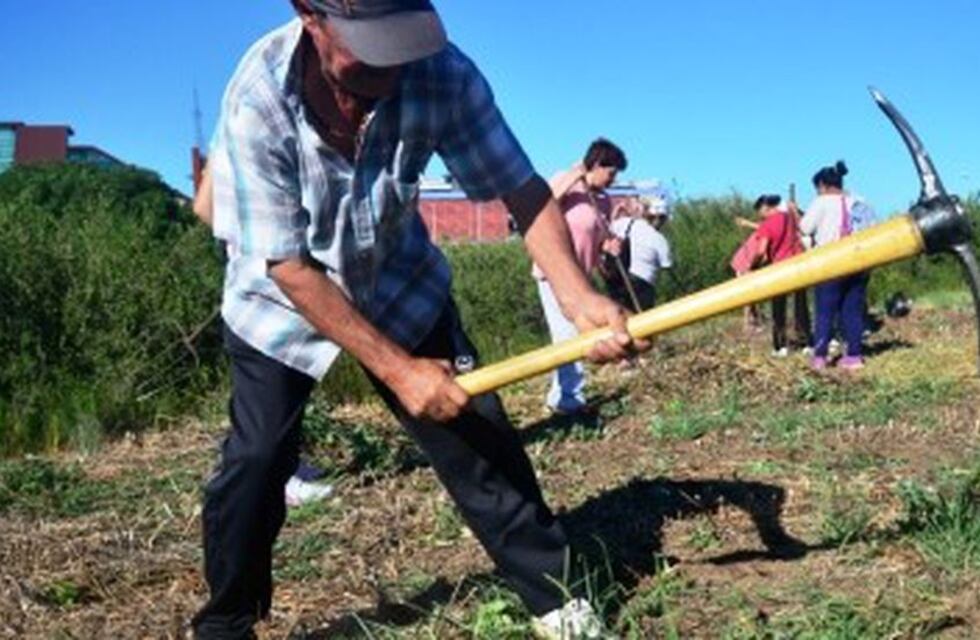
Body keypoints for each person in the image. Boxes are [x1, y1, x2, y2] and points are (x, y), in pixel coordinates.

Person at [194, 2, 647, 638]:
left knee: (475, 433)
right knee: (259, 458)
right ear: (309, 15)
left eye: (403, 39)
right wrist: (400, 372)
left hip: (398, 282)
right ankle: (226, 622)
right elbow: (289, 265)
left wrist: (579, 300)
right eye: (369, 43)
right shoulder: (259, 94)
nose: (393, 62)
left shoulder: (444, 73)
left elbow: (520, 189)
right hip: (279, 300)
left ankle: (556, 597)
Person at [193, 168, 335, 508]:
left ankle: (287, 467)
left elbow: (203, 206)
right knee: (268, 405)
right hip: (268, 294)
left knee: (280, 396)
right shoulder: (247, 121)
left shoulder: (239, 127)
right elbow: (205, 206)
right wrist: (263, 245)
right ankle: (279, 479)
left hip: (265, 286)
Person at [532, 138, 627, 415]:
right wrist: (575, 176)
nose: (613, 179)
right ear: (596, 165)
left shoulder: (604, 200)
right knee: (568, 335)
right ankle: (567, 399)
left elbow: (596, 241)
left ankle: (563, 395)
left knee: (575, 333)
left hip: (581, 278)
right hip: (553, 272)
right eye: (611, 172)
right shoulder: (566, 181)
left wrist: (607, 248)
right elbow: (540, 206)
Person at [800, 161, 874, 370]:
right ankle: (854, 356)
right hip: (859, 262)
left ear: (822, 185)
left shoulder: (822, 202)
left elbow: (805, 227)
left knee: (824, 311)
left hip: (831, 262)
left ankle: (820, 357)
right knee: (852, 310)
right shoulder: (859, 201)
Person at [752, 194, 812, 356]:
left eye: (760, 212)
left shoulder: (766, 225)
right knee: (801, 305)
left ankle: (780, 346)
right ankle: (807, 343)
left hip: (779, 267)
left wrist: (754, 265)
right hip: (798, 263)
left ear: (765, 207)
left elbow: (761, 251)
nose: (760, 216)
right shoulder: (790, 217)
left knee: (779, 307)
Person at [608, 196, 673, 311]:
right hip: (643, 286)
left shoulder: (626, 224)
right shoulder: (659, 239)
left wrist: (617, 211)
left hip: (618, 281)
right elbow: (666, 265)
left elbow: (608, 229)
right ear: (664, 219)